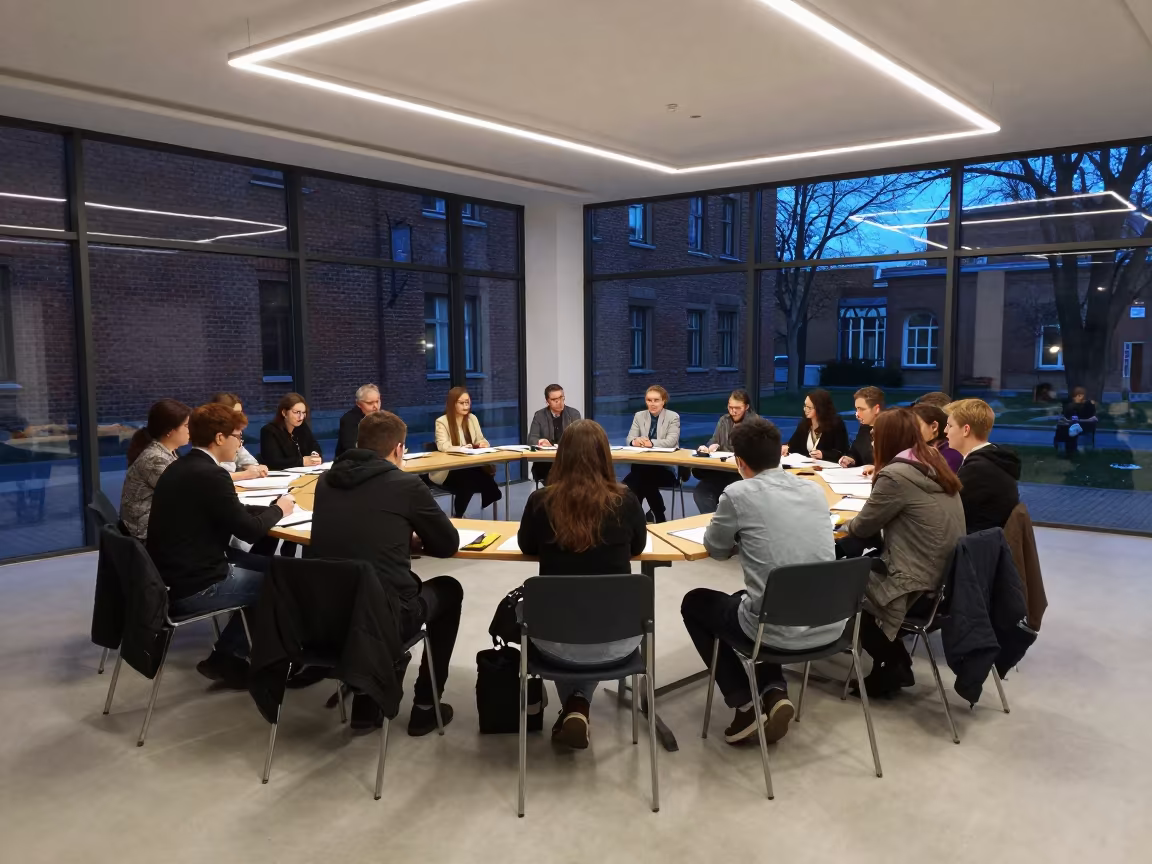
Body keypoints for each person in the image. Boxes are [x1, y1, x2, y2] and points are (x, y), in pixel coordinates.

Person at [681, 418, 840, 745]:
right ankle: (773, 690)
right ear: (778, 455)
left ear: (739, 462)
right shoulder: (813, 489)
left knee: (695, 601)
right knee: (750, 598)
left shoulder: (737, 493)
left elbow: (717, 549)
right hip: (829, 624)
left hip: (778, 628)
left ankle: (744, 704)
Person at [308, 410, 463, 736]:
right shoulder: (404, 484)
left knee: (379, 586)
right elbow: (447, 543)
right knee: (448, 589)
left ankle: (367, 693)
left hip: (327, 616)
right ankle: (425, 705)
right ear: (398, 449)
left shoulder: (325, 481)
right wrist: (411, 539)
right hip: (385, 617)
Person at [517, 419, 646, 749]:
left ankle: (576, 703)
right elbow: (637, 548)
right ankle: (577, 704)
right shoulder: (626, 501)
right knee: (589, 619)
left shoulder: (541, 501)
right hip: (619, 638)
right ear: (605, 456)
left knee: (534, 611)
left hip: (554, 641)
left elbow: (527, 546)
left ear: (562, 457)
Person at [147, 403, 294, 688]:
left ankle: (232, 654)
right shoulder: (212, 475)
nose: (240, 444)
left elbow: (229, 510)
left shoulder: (185, 466)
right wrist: (280, 510)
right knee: (284, 581)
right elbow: (250, 532)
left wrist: (265, 507)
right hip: (197, 585)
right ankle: (233, 657)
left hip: (171, 577)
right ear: (219, 438)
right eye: (238, 437)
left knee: (279, 568)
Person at [840, 409, 965, 698]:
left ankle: (895, 662)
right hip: (944, 577)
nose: (871, 441)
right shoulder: (932, 460)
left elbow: (862, 526)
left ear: (888, 438)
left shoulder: (896, 476)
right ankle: (892, 662)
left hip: (916, 582)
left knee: (840, 582)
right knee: (857, 564)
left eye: (874, 436)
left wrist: (837, 522)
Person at [944, 398, 1021, 533]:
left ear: (966, 430)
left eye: (950, 426)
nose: (945, 431)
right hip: (987, 544)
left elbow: (946, 512)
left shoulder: (978, 470)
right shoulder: (992, 459)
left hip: (975, 548)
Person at [119, 399, 191, 540]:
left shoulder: (167, 452)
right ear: (170, 430)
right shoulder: (155, 459)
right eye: (187, 426)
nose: (191, 430)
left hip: (155, 524)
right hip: (147, 533)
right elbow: (183, 495)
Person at [431, 387, 502, 518]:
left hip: (470, 465)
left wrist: (483, 444)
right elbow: (442, 445)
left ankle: (459, 514)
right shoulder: (442, 421)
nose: (465, 406)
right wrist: (462, 448)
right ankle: (460, 514)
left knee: (472, 476)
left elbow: (480, 439)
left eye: (467, 402)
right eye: (461, 403)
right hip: (449, 470)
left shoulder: (472, 419)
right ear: (453, 403)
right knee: (468, 480)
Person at [692, 390, 759, 514]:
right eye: (730, 407)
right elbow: (714, 440)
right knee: (701, 493)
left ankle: (725, 528)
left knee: (731, 498)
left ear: (746, 407)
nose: (733, 411)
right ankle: (713, 527)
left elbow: (754, 451)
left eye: (737, 408)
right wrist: (707, 448)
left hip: (741, 475)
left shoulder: (755, 423)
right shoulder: (724, 420)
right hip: (721, 472)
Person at [622, 386, 681, 523]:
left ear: (663, 401)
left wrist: (651, 443)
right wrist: (635, 441)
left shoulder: (673, 417)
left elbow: (671, 441)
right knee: (644, 477)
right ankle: (659, 516)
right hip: (642, 469)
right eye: (649, 400)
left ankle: (638, 519)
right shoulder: (639, 415)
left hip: (664, 469)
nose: (652, 404)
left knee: (637, 481)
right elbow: (629, 439)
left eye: (656, 400)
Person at [526, 383, 581, 486]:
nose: (559, 402)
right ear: (547, 401)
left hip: (568, 462)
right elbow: (531, 440)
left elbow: (579, 439)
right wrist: (540, 442)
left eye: (561, 398)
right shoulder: (539, 415)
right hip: (546, 463)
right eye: (554, 400)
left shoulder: (574, 414)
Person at [211, 392, 269, 480]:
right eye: (236, 413)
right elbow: (213, 475)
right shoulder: (208, 438)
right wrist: (245, 474)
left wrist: (254, 468)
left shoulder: (234, 434)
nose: (241, 416)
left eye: (241, 412)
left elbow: (246, 459)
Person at [782, 388, 849, 462]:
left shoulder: (836, 425)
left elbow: (842, 452)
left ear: (820, 408)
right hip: (808, 467)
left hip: (830, 468)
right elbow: (794, 445)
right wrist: (787, 448)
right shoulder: (804, 424)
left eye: (809, 408)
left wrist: (823, 454)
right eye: (805, 406)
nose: (805, 409)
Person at [260, 393, 323, 471]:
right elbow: (274, 462)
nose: (301, 417)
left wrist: (314, 454)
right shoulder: (269, 431)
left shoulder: (302, 427)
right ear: (284, 413)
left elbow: (315, 446)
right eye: (297, 412)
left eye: (303, 413)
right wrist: (302, 461)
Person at [839, 386, 884, 468]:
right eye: (856, 409)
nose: (857, 414)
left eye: (861, 409)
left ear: (876, 409)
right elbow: (855, 452)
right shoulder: (864, 428)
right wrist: (850, 459)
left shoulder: (892, 431)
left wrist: (876, 469)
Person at [910, 402, 963, 472]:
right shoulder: (917, 450)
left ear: (934, 426)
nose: (910, 430)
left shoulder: (951, 455)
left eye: (915, 425)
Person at [335, 383, 382, 459]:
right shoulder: (348, 420)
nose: (376, 407)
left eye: (377, 401)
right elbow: (351, 448)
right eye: (370, 403)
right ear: (358, 404)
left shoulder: (383, 418)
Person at [1054, 386, 1098, 455]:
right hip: (1074, 428)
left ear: (1081, 395)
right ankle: (1067, 450)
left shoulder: (1088, 405)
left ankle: (1071, 450)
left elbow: (1093, 419)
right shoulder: (1071, 406)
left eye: (1076, 396)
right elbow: (1067, 417)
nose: (1074, 398)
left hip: (1084, 428)